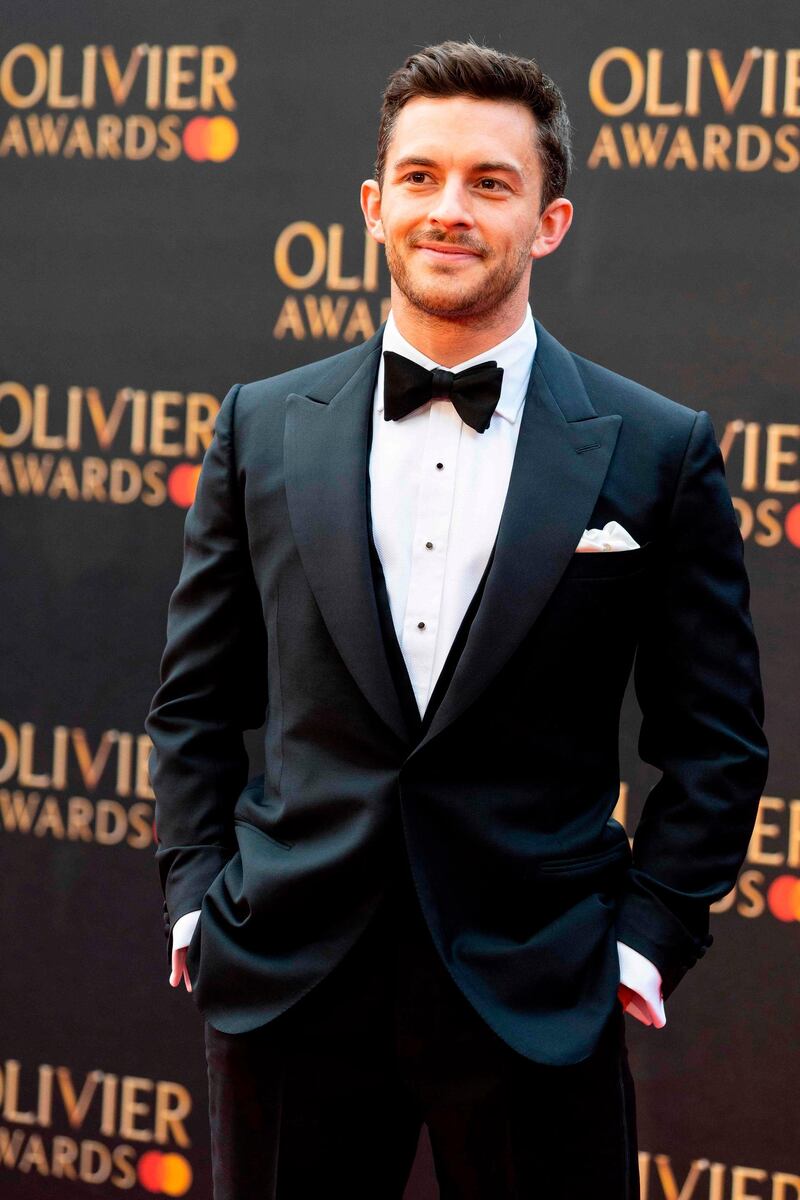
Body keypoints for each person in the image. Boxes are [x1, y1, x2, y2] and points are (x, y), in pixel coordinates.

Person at [145, 39, 768, 1200]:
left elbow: (716, 743)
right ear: (375, 207)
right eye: (422, 177)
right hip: (287, 979)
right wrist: (195, 900)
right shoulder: (261, 426)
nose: (450, 209)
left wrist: (640, 944)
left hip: (538, 991)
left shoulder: (654, 450)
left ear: (549, 222)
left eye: (491, 183)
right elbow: (192, 698)